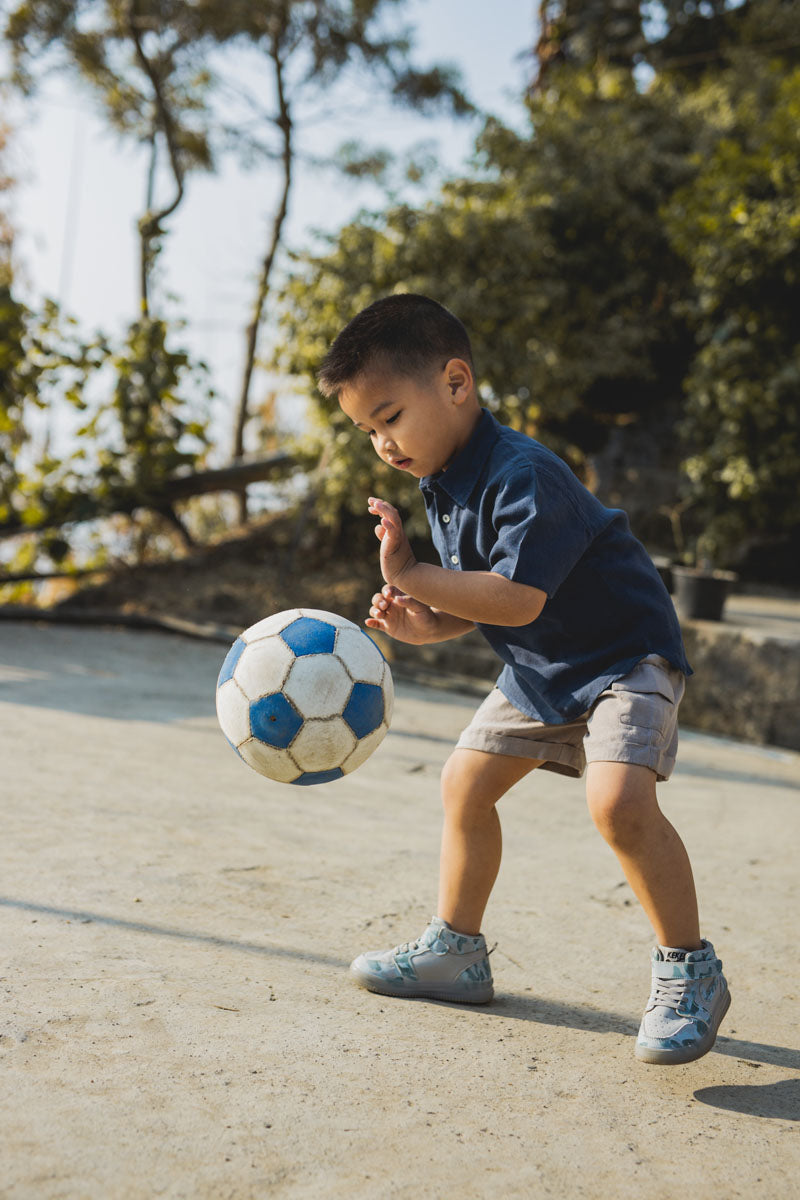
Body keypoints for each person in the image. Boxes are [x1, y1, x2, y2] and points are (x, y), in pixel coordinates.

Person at [317, 293, 730, 1066]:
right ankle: (457, 952)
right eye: (368, 430)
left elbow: (517, 597)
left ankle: (691, 971)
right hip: (543, 668)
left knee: (617, 803)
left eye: (390, 416)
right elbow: (486, 602)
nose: (382, 444)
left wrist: (412, 571)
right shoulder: (443, 481)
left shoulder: (522, 473)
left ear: (455, 382)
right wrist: (424, 619)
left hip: (621, 658)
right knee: (464, 786)